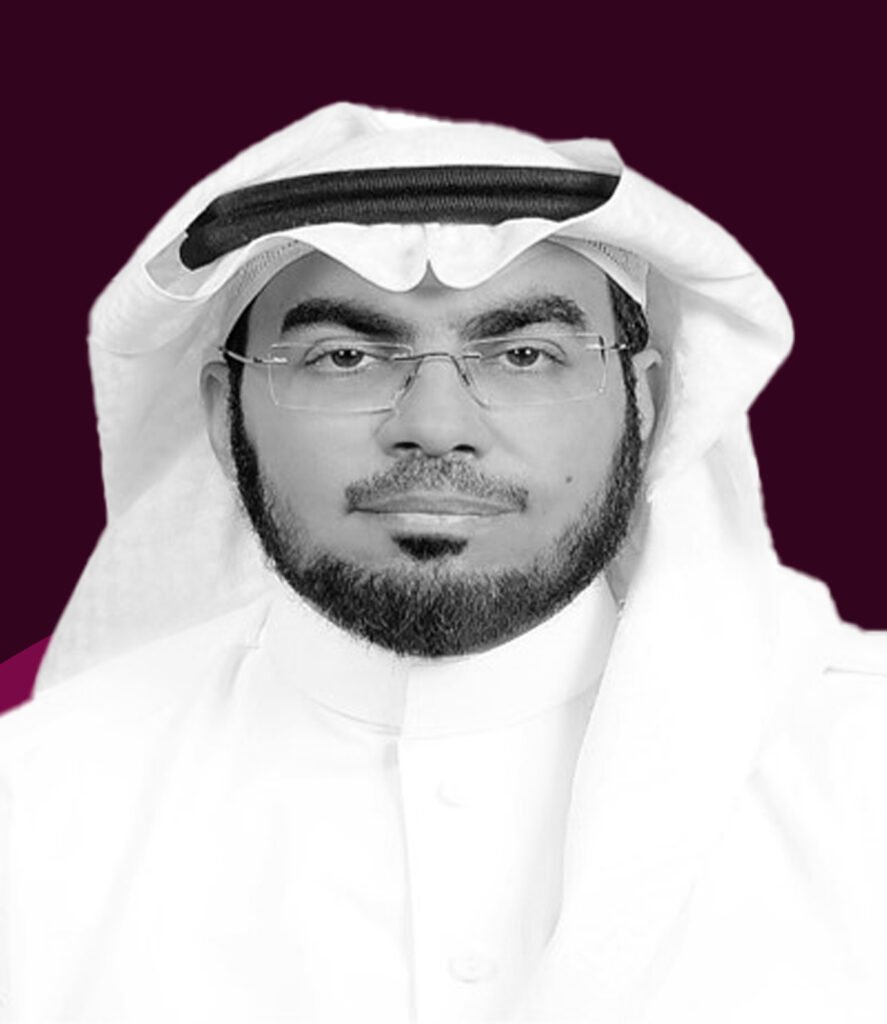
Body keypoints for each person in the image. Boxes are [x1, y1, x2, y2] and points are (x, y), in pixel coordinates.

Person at [0, 103, 884, 1024]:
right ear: (227, 416)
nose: (435, 425)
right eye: (346, 356)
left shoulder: (863, 771)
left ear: (647, 401)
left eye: (523, 354)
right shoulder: (34, 814)